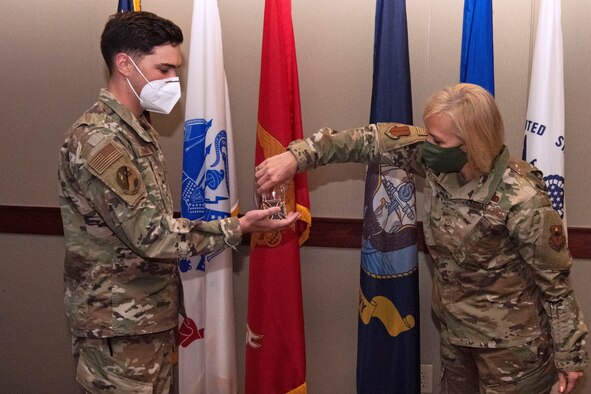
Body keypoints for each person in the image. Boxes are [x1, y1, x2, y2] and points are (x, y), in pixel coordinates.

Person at [255, 83, 588, 394]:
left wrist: (571, 355)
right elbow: (368, 140)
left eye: (439, 141)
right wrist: (296, 157)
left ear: (473, 144)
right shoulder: (437, 162)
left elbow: (554, 286)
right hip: (456, 338)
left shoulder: (522, 198)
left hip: (513, 353)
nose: (428, 145)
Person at [58, 11, 299, 394]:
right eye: (164, 69)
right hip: (117, 329)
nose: (174, 82)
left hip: (146, 319)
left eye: (177, 71)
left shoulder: (137, 133)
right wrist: (240, 226)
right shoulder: (101, 140)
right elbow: (152, 235)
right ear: (125, 64)